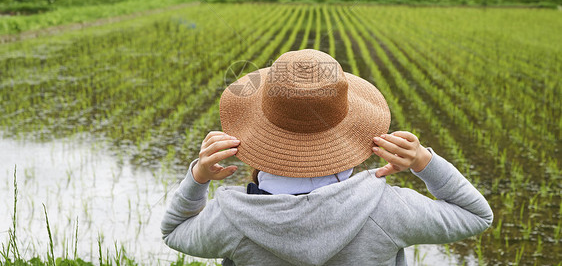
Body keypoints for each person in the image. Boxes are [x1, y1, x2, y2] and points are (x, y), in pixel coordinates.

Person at [161, 49, 493, 266]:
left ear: (260, 134)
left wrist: (198, 177)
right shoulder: (387, 208)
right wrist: (424, 162)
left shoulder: (229, 217)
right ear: (352, 134)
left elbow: (174, 231)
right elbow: (476, 216)